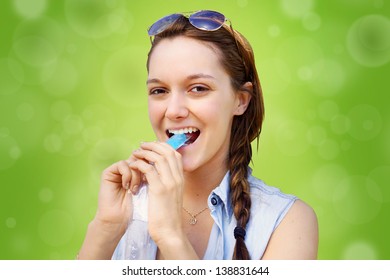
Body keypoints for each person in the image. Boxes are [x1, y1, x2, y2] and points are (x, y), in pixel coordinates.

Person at [78, 10, 318, 260]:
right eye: (159, 90)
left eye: (198, 88)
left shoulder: (288, 221)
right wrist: (106, 228)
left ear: (241, 100)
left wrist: (170, 235)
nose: (174, 111)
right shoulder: (125, 207)